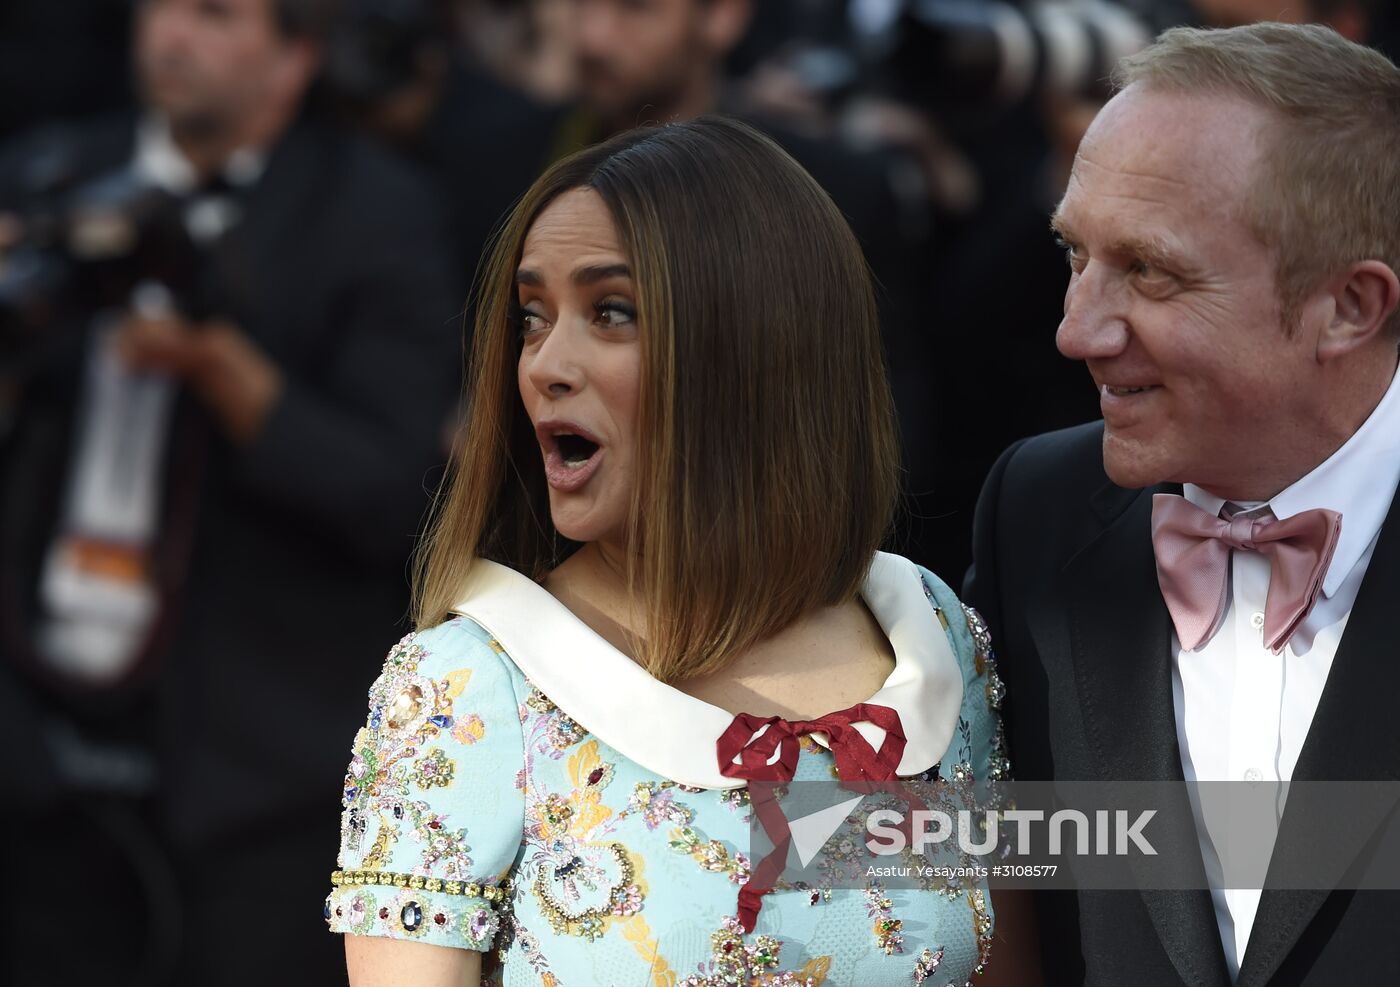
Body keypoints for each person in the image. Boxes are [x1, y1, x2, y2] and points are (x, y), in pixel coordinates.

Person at [327, 116, 1027, 984]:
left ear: (757, 348)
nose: (546, 363)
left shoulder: (928, 631)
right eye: (534, 317)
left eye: (610, 312)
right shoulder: (466, 689)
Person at [0, 0, 459, 982]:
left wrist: (229, 376)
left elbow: (398, 499)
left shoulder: (377, 215)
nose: (170, 36)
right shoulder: (49, 177)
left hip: (254, 773)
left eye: (213, 14)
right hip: (34, 744)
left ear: (294, 55)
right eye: (158, 7)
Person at [965, 22, 1400, 985]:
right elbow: (970, 861)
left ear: (1350, 306)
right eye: (1074, 254)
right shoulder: (1034, 511)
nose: (1076, 330)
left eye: (1150, 271)